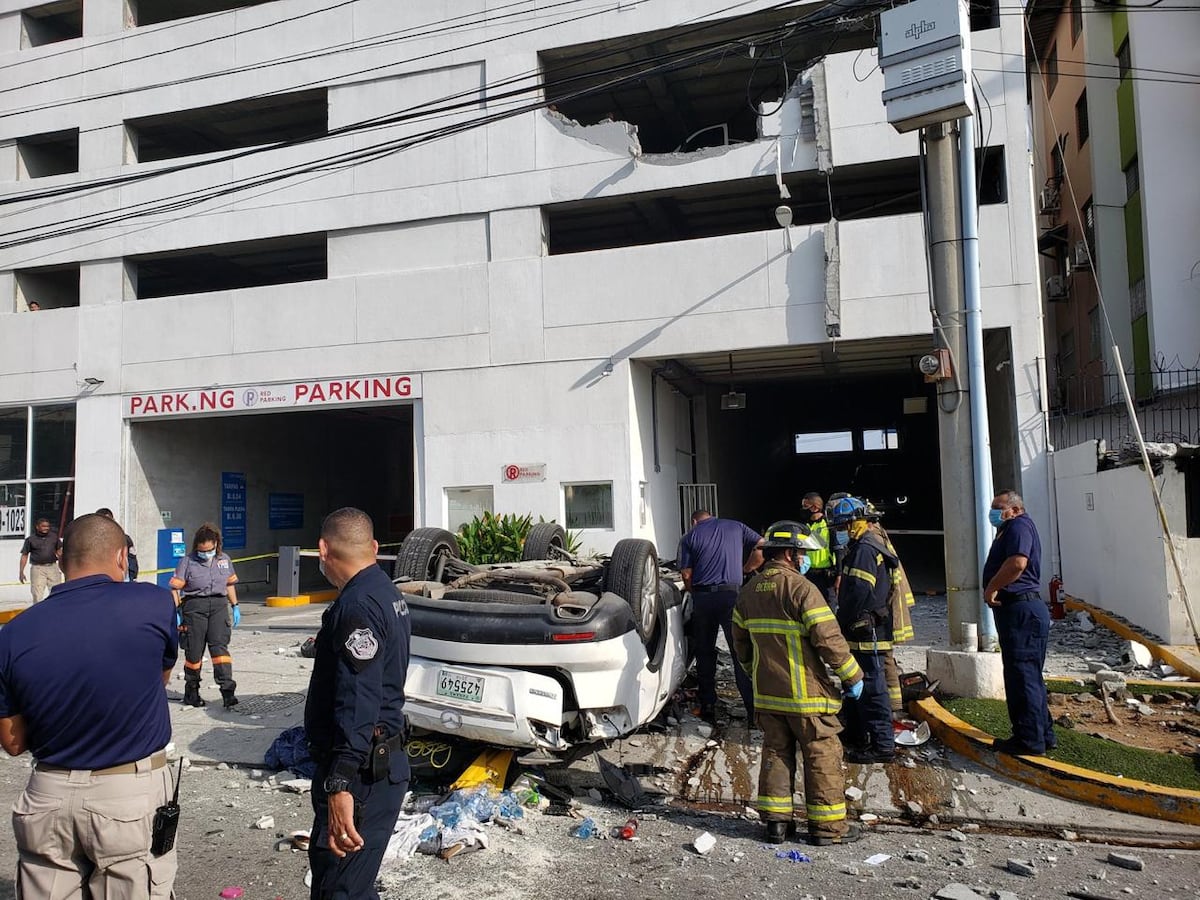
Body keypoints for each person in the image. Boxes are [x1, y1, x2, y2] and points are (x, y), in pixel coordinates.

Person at [0, 513, 179, 898]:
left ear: (60, 560)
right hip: (127, 795)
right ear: (121, 557)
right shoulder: (153, 602)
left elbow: (12, 743)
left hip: (47, 797)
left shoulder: (12, 634)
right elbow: (159, 677)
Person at [733, 520, 864, 846]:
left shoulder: (748, 592)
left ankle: (776, 825)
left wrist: (757, 674)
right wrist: (852, 676)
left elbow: (741, 646)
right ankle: (827, 829)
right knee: (822, 756)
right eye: (802, 553)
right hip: (807, 696)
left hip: (768, 696)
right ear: (790, 554)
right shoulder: (802, 589)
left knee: (776, 754)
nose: (804, 559)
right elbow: (829, 639)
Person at [305, 508, 410, 900]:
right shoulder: (386, 592)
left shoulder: (357, 607)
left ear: (323, 550)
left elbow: (358, 700)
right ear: (375, 547)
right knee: (349, 885)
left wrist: (341, 782)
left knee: (340, 890)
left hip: (363, 774)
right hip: (378, 763)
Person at [983, 489, 1054, 756]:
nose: (993, 512)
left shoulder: (1018, 526)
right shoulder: (1012, 528)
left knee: (1022, 677)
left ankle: (1028, 740)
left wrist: (992, 587)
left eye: (998, 507)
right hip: (1022, 610)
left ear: (1014, 509)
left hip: (1021, 609)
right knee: (1029, 676)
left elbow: (1017, 563)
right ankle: (1043, 734)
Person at [827, 495, 897, 764]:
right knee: (855, 682)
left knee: (871, 686)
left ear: (858, 522)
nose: (841, 532)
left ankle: (882, 746)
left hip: (868, 630)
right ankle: (857, 734)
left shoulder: (865, 550)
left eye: (844, 526)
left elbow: (858, 592)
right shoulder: (861, 546)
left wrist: (841, 620)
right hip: (861, 629)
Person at [678, 509, 763, 723]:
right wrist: (746, 569)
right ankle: (754, 712)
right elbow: (762, 545)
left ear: (694, 521)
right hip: (732, 596)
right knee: (740, 651)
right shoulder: (737, 526)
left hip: (703, 598)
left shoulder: (689, 537)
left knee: (704, 651)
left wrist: (694, 593)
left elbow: (686, 574)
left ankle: (707, 706)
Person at [170, 523, 240, 708]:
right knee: (194, 651)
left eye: (209, 550)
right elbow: (175, 588)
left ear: (216, 544)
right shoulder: (187, 561)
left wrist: (235, 606)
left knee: (219, 649)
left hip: (218, 606)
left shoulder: (224, 559)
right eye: (202, 551)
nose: (206, 554)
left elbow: (229, 584)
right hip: (194, 607)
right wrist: (177, 610)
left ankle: (227, 692)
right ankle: (192, 692)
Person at [865, 511, 916, 716]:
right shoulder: (878, 536)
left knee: (884, 658)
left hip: (881, 611)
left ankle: (893, 707)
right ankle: (891, 705)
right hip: (885, 609)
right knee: (885, 658)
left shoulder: (872, 541)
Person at [800, 492, 836, 606]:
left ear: (815, 508)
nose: (803, 509)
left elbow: (837, 549)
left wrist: (839, 573)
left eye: (805, 506)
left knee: (829, 605)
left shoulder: (829, 524)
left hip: (826, 574)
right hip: (808, 573)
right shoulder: (805, 526)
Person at [18, 516, 62, 603]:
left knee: (57, 592)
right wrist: (21, 572)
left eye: (47, 526)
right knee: (37, 594)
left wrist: (64, 568)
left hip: (52, 567)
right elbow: (24, 556)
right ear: (37, 527)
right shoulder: (30, 540)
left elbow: (59, 553)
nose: (46, 528)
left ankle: (56, 609)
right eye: (43, 526)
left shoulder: (54, 537)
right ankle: (38, 610)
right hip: (38, 569)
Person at [96, 507, 139, 580]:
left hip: (123, 580)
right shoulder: (93, 541)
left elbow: (132, 558)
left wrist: (132, 577)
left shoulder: (124, 539)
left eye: (109, 521)